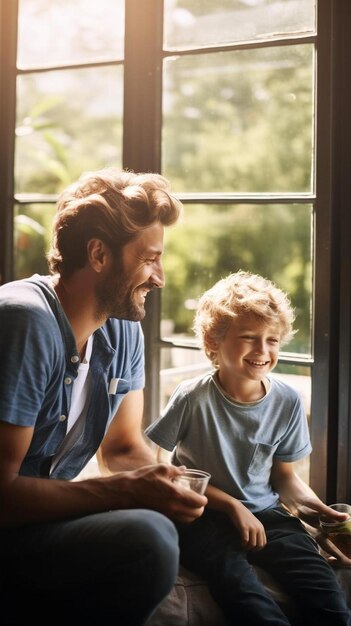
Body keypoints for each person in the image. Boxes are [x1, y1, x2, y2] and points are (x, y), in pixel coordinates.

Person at [0, 167, 207, 626]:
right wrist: (123, 490)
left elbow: (123, 450)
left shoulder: (121, 327)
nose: (160, 278)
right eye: (150, 258)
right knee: (149, 536)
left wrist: (222, 504)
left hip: (39, 528)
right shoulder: (24, 321)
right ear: (98, 254)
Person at [145, 270, 351, 625]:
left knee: (327, 598)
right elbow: (162, 470)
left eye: (272, 339)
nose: (263, 350)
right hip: (203, 515)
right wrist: (231, 507)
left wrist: (312, 507)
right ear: (213, 342)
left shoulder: (286, 400)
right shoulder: (192, 397)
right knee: (240, 588)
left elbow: (284, 477)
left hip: (267, 514)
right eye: (249, 337)